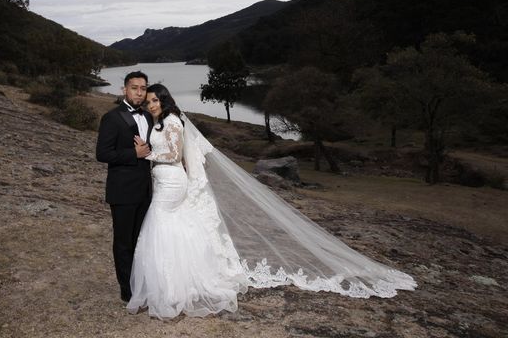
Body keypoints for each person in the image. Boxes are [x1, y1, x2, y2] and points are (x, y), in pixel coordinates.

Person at [127, 83, 417, 320]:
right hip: (163, 180)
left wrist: (147, 155)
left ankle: (174, 288)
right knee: (171, 227)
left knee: (161, 225)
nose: (152, 104)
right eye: (149, 101)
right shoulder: (160, 122)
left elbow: (176, 156)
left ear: (165, 101)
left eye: (155, 100)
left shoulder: (174, 121)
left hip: (172, 180)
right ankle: (175, 285)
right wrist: (149, 148)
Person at [96, 71, 154, 303]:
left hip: (145, 190)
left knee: (141, 241)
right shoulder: (112, 117)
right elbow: (102, 153)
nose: (139, 92)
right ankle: (127, 291)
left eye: (143, 88)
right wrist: (134, 154)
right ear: (124, 90)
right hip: (122, 191)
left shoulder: (149, 117)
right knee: (123, 243)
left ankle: (140, 283)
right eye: (134, 88)